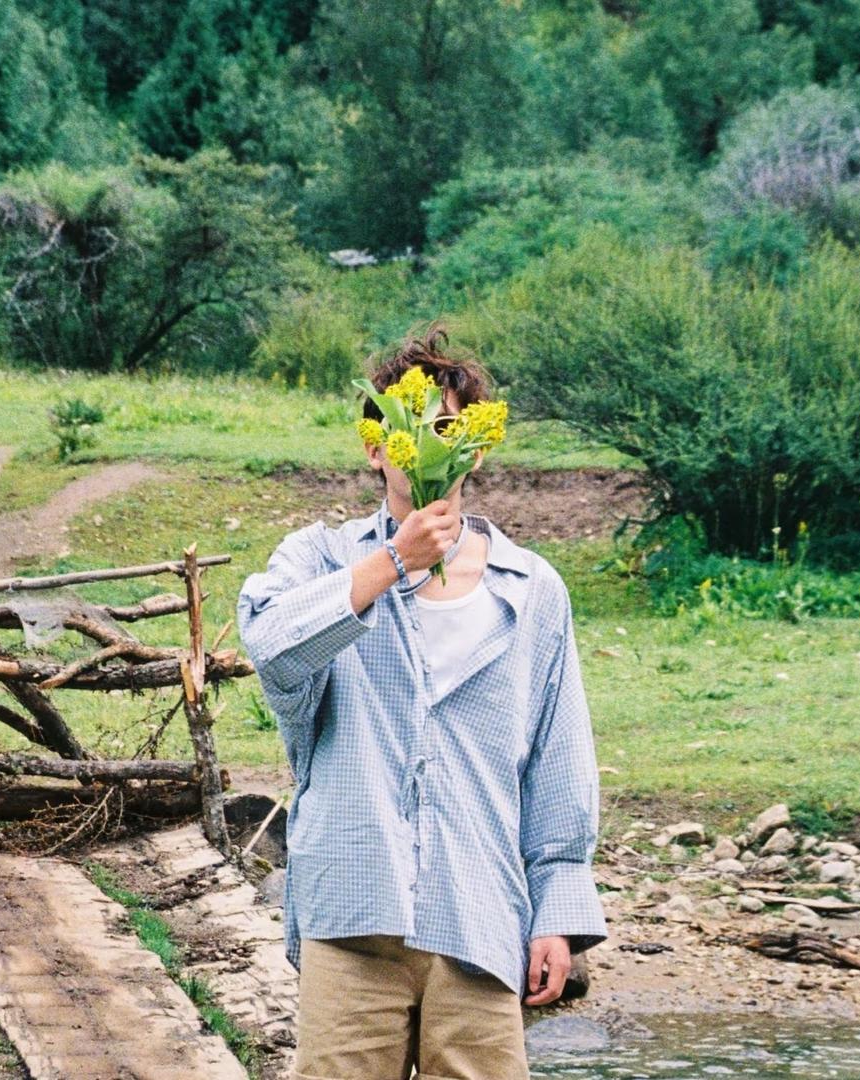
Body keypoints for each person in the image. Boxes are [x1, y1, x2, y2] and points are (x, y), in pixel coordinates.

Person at [236, 324, 608, 1080]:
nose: (430, 447)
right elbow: (271, 650)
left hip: (477, 914)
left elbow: (559, 760)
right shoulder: (319, 558)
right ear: (376, 448)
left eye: (447, 429)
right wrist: (392, 563)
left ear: (475, 445)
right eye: (410, 430)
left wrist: (557, 918)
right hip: (352, 915)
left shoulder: (531, 587)